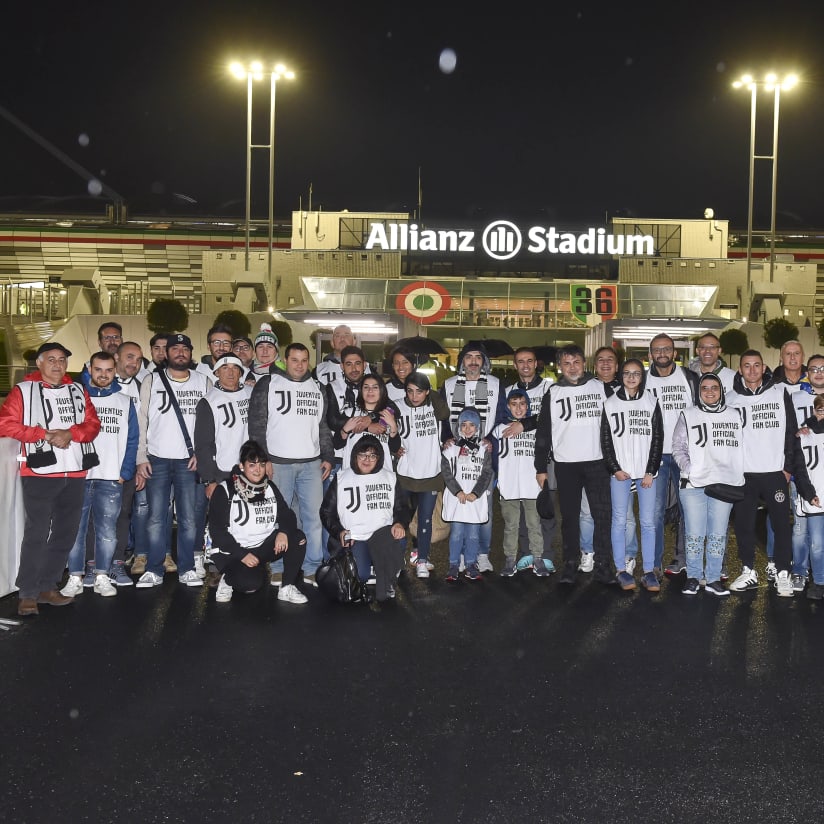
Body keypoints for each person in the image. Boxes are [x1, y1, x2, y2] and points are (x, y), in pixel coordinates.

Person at [0, 342, 101, 616]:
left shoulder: (78, 389)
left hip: (76, 472)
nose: (58, 365)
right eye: (52, 360)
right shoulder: (23, 390)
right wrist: (43, 435)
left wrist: (70, 434)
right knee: (36, 533)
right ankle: (28, 593)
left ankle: (48, 586)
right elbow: (5, 424)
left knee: (66, 533)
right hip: (39, 473)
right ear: (39, 363)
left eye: (62, 360)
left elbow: (93, 424)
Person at [248, 342, 334, 585]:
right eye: (294, 360)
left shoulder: (317, 387)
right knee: (279, 518)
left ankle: (311, 567)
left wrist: (327, 456)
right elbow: (256, 425)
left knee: (313, 518)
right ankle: (277, 566)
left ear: (309, 362)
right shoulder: (269, 383)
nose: (299, 365)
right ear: (285, 360)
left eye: (304, 360)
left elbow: (322, 426)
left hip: (311, 464)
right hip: (278, 463)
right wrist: (262, 460)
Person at [135, 334, 212, 589]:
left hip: (189, 462)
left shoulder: (204, 381)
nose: (180, 353)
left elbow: (211, 425)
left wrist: (202, 454)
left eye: (185, 349)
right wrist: (140, 456)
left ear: (191, 353)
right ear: (166, 353)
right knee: (156, 517)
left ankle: (187, 568)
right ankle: (154, 569)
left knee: (189, 519)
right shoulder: (152, 380)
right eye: (175, 349)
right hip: (156, 459)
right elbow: (142, 419)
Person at [61, 351, 138, 598]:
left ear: (114, 370)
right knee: (76, 529)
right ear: (89, 369)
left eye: (108, 370)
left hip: (111, 477)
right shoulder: (76, 398)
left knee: (107, 531)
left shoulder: (125, 401)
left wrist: (125, 472)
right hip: (79, 475)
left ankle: (103, 575)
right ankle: (75, 576)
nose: (103, 375)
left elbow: (132, 440)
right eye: (98, 370)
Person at [534, 344, 613, 586]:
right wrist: (540, 468)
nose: (572, 367)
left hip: (597, 463)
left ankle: (603, 565)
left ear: (583, 363)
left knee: (602, 516)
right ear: (560, 367)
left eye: (576, 362)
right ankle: (570, 563)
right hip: (566, 465)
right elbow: (544, 431)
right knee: (569, 518)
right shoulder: (553, 392)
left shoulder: (600, 388)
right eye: (566, 363)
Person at [725, 349, 796, 596]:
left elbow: (791, 432)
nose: (752, 370)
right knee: (744, 525)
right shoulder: (731, 398)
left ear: (764, 367)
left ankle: (784, 572)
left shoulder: (780, 394)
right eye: (747, 366)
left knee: (781, 525)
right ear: (740, 369)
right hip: (744, 475)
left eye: (757, 365)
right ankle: (748, 571)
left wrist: (788, 467)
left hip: (774, 472)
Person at [207, 440, 308, 604]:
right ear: (242, 466)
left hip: (260, 547)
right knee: (251, 585)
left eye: (261, 464)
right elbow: (217, 532)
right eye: (252, 464)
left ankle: (287, 587)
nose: (258, 470)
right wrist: (242, 554)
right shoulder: (225, 490)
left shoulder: (269, 487)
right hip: (233, 552)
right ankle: (227, 578)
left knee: (297, 537)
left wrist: (283, 532)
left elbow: (287, 515)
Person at [672, 373, 745, 596]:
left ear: (721, 390)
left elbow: (743, 448)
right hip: (693, 485)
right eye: (705, 388)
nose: (710, 392)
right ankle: (693, 577)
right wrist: (690, 469)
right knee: (694, 534)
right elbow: (678, 447)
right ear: (699, 391)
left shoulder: (734, 415)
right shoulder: (688, 414)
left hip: (724, 484)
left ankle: (713, 578)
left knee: (717, 534)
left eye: (714, 387)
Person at [320, 434, 409, 603]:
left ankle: (387, 575)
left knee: (399, 538)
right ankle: (369, 568)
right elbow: (326, 512)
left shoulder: (390, 477)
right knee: (361, 574)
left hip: (381, 535)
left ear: (379, 458)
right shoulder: (341, 477)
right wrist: (339, 531)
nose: (367, 459)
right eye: (362, 454)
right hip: (355, 538)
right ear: (355, 456)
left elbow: (402, 507)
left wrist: (399, 523)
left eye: (372, 455)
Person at [600, 358, 664, 591]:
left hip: (646, 474)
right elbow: (605, 441)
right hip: (621, 473)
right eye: (627, 373)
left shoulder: (651, 401)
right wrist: (614, 468)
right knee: (619, 521)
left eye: (636, 373)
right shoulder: (610, 404)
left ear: (642, 376)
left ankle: (648, 571)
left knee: (647, 523)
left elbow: (658, 439)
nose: (631, 377)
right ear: (621, 375)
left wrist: (651, 470)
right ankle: (620, 569)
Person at [441, 341, 501, 573]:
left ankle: (481, 554)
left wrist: (491, 441)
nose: (473, 361)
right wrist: (447, 438)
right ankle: (459, 559)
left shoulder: (495, 385)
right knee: (459, 506)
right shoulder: (448, 385)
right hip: (457, 456)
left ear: (484, 362)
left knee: (482, 507)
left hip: (483, 455)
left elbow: (502, 417)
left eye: (478, 357)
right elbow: (443, 417)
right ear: (462, 361)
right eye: (468, 357)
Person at [497, 346, 556, 574]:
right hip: (515, 461)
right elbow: (501, 422)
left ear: (536, 363)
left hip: (544, 456)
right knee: (517, 515)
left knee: (543, 507)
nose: (525, 365)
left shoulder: (549, 387)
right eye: (520, 361)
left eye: (529, 361)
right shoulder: (508, 390)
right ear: (515, 365)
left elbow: (551, 418)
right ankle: (524, 554)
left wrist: (525, 423)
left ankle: (545, 554)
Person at [579, 346, 638, 572]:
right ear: (595, 364)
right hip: (591, 459)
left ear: (618, 364)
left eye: (610, 360)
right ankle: (588, 551)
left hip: (623, 461)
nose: (605, 363)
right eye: (600, 359)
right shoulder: (585, 388)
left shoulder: (629, 391)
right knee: (587, 511)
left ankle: (628, 554)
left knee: (626, 514)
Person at [645, 333, 698, 577]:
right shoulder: (643, 381)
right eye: (657, 349)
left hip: (684, 455)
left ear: (675, 353)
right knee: (654, 512)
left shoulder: (689, 378)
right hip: (655, 457)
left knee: (688, 509)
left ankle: (683, 559)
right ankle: (653, 564)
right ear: (650, 354)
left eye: (667, 349)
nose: (662, 353)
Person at [395, 372, 449, 577]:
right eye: (410, 391)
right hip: (406, 473)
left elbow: (445, 414)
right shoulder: (397, 406)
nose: (414, 396)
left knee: (426, 519)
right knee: (400, 519)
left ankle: (422, 560)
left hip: (431, 473)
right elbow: (383, 426)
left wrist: (431, 393)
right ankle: (398, 559)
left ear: (427, 392)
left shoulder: (434, 405)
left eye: (419, 391)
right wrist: (394, 447)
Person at [493, 389, 546, 577]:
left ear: (528, 405)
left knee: (534, 524)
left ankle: (538, 558)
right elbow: (492, 454)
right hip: (509, 486)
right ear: (507, 406)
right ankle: (510, 559)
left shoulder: (536, 428)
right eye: (514, 404)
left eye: (522, 404)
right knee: (511, 526)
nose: (518, 408)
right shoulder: (500, 429)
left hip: (532, 486)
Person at [441, 408, 494, 582]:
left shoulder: (484, 449)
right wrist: (458, 491)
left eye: (472, 425)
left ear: (478, 427)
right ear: (458, 427)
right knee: (456, 533)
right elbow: (446, 472)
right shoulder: (451, 448)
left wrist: (475, 493)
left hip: (474, 500)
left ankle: (471, 563)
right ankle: (454, 564)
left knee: (473, 534)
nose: (468, 428)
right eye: (463, 425)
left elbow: (486, 473)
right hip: (458, 499)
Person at [194, 355, 252, 497]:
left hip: (251, 467)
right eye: (225, 368)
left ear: (241, 372)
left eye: (235, 368)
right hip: (223, 471)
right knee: (223, 516)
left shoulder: (251, 393)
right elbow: (203, 444)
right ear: (217, 373)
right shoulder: (208, 401)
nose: (230, 372)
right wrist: (210, 480)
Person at [791, 395, 824, 600]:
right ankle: (819, 582)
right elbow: (800, 471)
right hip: (816, 497)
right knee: (817, 543)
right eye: (821, 409)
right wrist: (809, 494)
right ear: (814, 411)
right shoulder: (803, 436)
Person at [334, 374, 401, 468]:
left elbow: (395, 448)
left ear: (381, 391)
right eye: (366, 387)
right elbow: (337, 444)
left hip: (381, 474)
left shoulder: (387, 415)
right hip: (353, 473)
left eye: (375, 387)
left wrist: (393, 426)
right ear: (361, 391)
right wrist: (345, 430)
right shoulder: (350, 412)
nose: (370, 391)